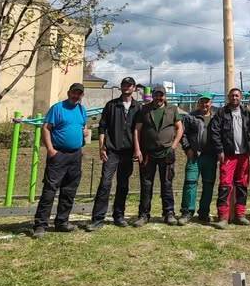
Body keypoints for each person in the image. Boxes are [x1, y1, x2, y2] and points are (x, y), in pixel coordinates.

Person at [32, 83, 88, 237]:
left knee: (69, 190)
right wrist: (50, 149)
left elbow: (83, 126)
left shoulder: (82, 110)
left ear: (82, 95)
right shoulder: (57, 108)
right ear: (69, 93)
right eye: (74, 93)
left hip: (75, 155)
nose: (76, 96)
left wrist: (84, 133)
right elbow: (46, 128)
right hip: (58, 155)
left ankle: (62, 221)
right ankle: (41, 224)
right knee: (50, 190)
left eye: (79, 94)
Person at [87, 77, 141, 230]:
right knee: (105, 183)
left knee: (123, 185)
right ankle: (97, 219)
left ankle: (119, 216)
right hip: (111, 151)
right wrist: (101, 147)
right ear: (121, 87)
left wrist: (137, 149)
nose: (126, 87)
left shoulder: (138, 107)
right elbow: (102, 127)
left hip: (128, 152)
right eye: (124, 85)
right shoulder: (111, 105)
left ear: (134, 88)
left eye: (129, 85)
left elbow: (139, 131)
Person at [132, 84, 184, 227]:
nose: (158, 98)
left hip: (166, 153)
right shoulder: (144, 109)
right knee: (146, 185)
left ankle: (169, 213)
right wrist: (137, 150)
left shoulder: (172, 109)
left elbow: (180, 128)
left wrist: (173, 146)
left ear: (164, 96)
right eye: (156, 95)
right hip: (148, 153)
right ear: (153, 95)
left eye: (161, 95)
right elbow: (137, 130)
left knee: (167, 184)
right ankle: (143, 215)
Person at [209, 88, 250, 228]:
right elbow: (214, 132)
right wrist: (219, 150)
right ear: (228, 97)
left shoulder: (246, 113)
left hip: (243, 155)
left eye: (237, 95)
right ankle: (223, 217)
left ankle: (240, 215)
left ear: (241, 97)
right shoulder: (221, 113)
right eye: (232, 96)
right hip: (228, 155)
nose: (234, 98)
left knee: (242, 185)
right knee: (225, 185)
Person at [179, 92, 218, 225]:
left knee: (208, 185)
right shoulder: (190, 117)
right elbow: (182, 134)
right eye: (201, 102)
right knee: (190, 183)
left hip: (210, 156)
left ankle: (204, 213)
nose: (204, 104)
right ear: (198, 103)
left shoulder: (216, 117)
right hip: (194, 156)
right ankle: (187, 212)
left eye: (207, 102)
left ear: (211, 103)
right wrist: (187, 149)